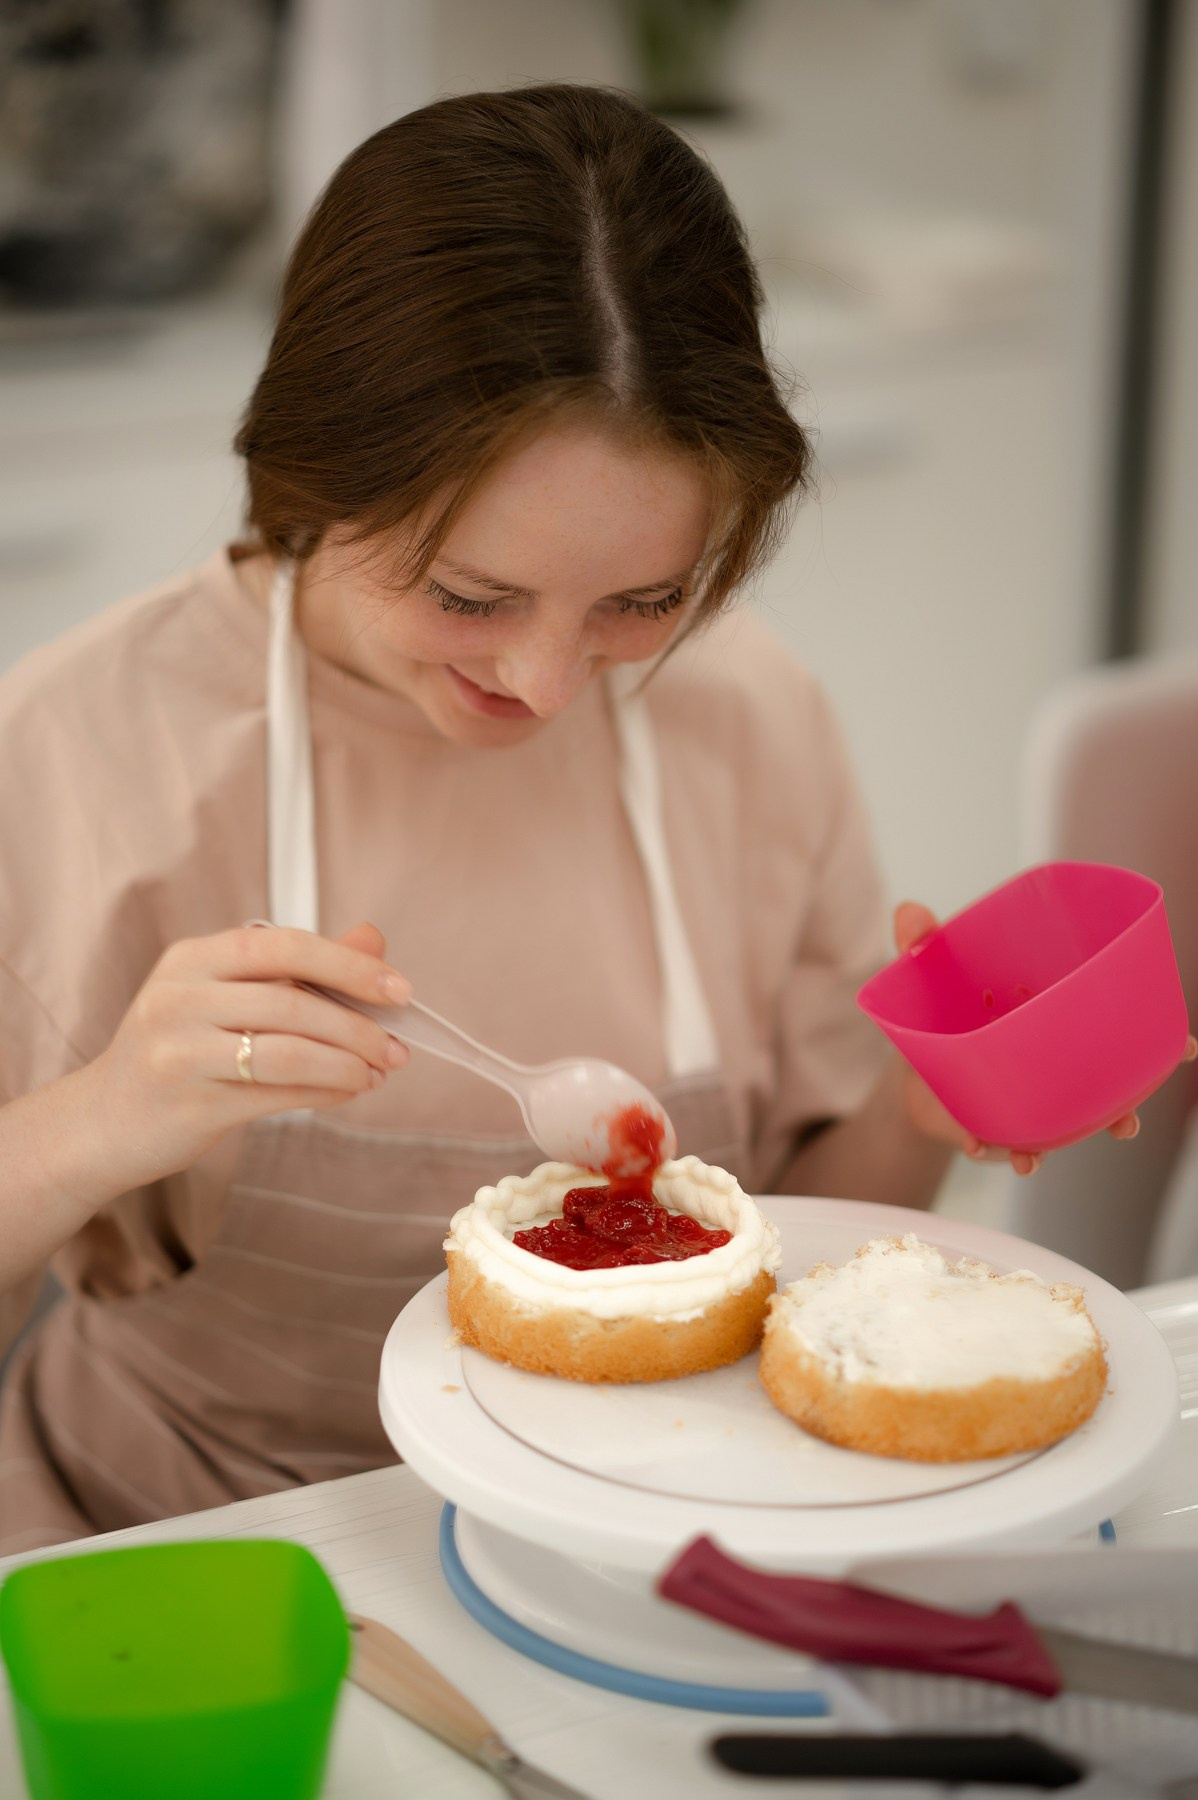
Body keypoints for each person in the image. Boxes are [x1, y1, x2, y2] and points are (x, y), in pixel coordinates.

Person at [0, 85, 1179, 1554]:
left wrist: (912, 1114)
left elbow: (780, 1264)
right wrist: (97, 1121)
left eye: (643, 601)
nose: (545, 683)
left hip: (652, 1546)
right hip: (196, 1550)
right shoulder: (72, 745)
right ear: (315, 469)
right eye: (468, 598)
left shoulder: (748, 713)